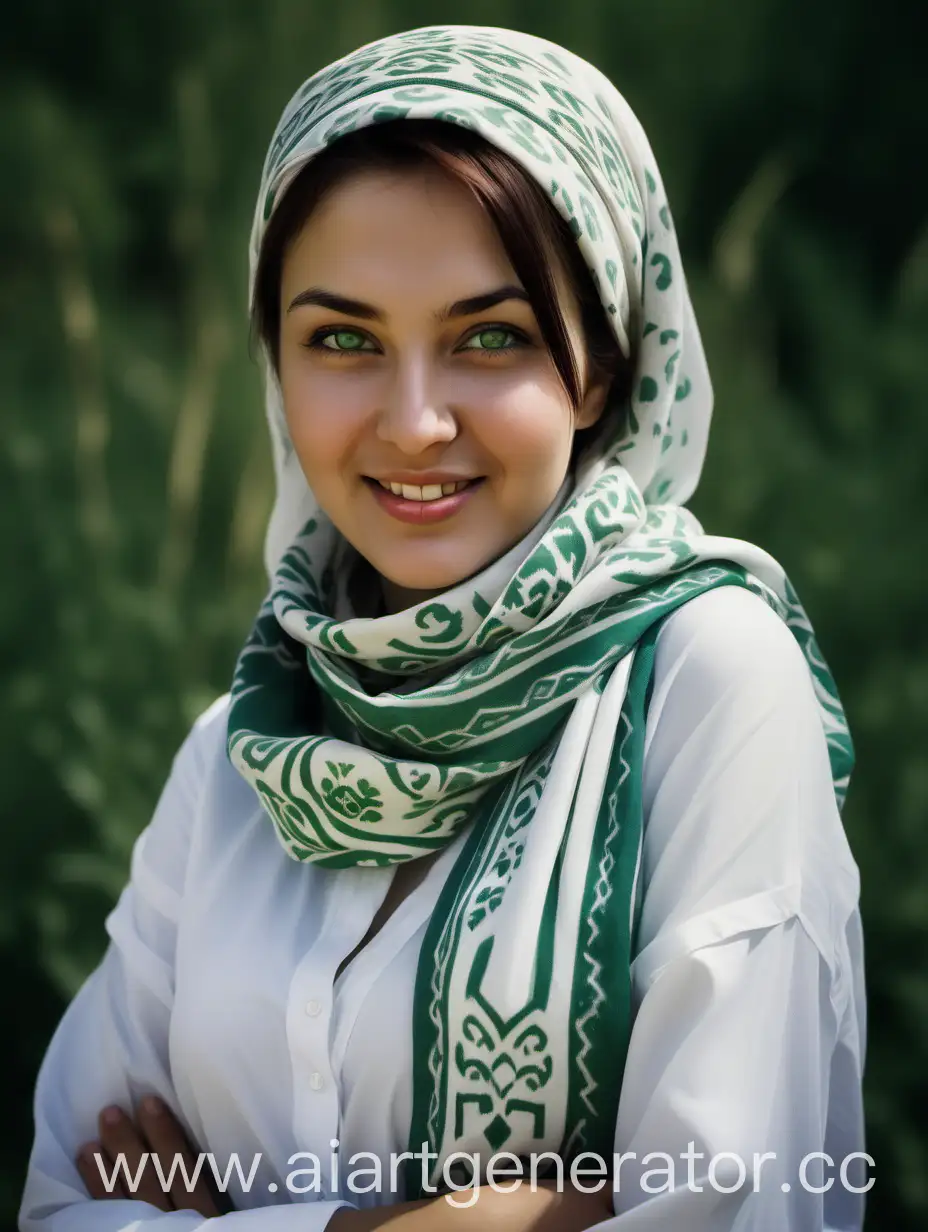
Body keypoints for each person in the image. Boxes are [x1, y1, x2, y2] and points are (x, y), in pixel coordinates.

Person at [19, 23, 867, 1232]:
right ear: (278, 369)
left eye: (490, 337)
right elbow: (61, 1201)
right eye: (344, 341)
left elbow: (735, 1211)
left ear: (596, 373)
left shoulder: (705, 683)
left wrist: (218, 1221)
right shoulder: (239, 750)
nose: (414, 421)